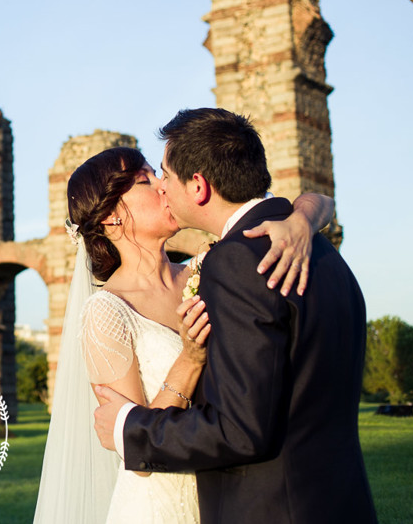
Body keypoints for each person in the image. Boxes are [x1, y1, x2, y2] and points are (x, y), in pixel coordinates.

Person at [93, 108, 377, 523]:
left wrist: (127, 426)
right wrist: (305, 214)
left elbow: (240, 429)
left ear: (199, 185)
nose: (160, 187)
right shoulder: (320, 249)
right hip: (340, 501)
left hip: (272, 508)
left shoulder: (235, 262)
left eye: (165, 176)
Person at [33, 144, 334, 523]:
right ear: (111, 217)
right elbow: (134, 449)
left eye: (156, 175)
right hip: (160, 505)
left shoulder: (209, 270)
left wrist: (301, 221)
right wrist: (190, 360)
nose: (162, 185)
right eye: (145, 180)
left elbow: (319, 201)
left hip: (230, 491)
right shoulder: (107, 312)